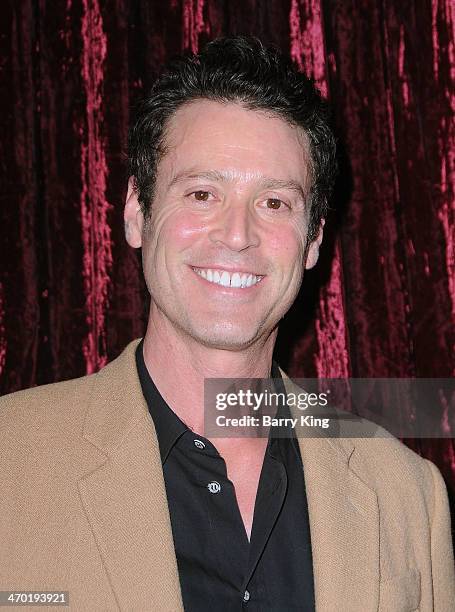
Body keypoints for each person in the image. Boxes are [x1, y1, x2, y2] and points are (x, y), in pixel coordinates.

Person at [0, 36, 453, 612]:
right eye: (202, 193)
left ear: (313, 240)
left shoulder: (408, 494)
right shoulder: (9, 462)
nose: (237, 235)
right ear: (136, 212)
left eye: (274, 203)